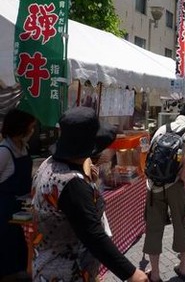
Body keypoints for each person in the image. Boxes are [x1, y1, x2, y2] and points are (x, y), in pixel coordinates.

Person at [32, 107, 148, 282]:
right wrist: (131, 273)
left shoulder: (48, 164)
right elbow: (93, 234)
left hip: (45, 265)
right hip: (68, 274)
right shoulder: (72, 183)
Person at [143, 104, 185, 282]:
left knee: (153, 227)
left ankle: (155, 273)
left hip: (154, 185)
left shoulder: (162, 128)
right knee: (181, 222)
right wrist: (183, 173)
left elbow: (148, 153)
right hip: (175, 184)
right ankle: (183, 268)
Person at [0, 108, 36, 280]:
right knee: (7, 247)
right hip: (5, 209)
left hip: (22, 206)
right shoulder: (4, 152)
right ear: (20, 128)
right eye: (30, 128)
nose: (32, 131)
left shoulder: (24, 147)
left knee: (19, 248)